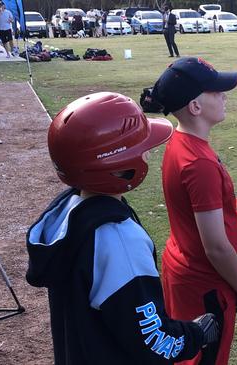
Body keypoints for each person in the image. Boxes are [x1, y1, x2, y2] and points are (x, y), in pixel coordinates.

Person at [25, 92, 220, 364]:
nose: (148, 152)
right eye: (140, 148)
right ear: (115, 164)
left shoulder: (68, 211)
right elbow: (152, 340)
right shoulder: (117, 238)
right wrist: (195, 334)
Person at [151, 57, 237, 365]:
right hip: (204, 284)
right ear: (195, 106)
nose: (224, 96)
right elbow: (216, 247)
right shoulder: (200, 163)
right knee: (202, 358)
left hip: (182, 267)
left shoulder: (178, 141)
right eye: (216, 91)